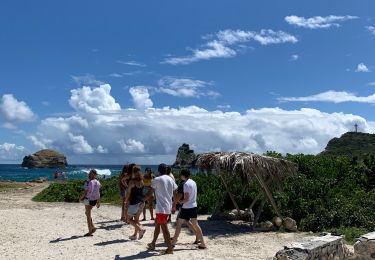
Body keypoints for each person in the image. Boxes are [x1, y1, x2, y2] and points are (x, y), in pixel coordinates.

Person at [146, 163, 178, 254]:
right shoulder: (170, 179)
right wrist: (174, 205)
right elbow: (175, 191)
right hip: (167, 207)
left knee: (164, 228)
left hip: (161, 208)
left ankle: (170, 248)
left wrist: (142, 199)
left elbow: (150, 193)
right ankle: (153, 243)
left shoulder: (157, 179)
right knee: (157, 224)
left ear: (159, 171)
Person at [172, 169, 206, 249]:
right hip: (194, 206)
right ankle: (203, 243)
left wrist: (179, 202)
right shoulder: (193, 182)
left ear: (183, 175)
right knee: (195, 224)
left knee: (179, 224)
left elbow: (186, 199)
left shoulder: (186, 184)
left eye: (181, 175)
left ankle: (173, 243)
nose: (180, 176)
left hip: (186, 207)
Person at [125, 165, 146, 240]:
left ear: (133, 172)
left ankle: (140, 229)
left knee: (129, 219)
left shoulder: (132, 181)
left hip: (134, 202)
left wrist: (125, 201)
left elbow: (128, 192)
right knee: (136, 220)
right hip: (142, 202)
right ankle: (135, 235)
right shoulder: (142, 181)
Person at [79, 169, 101, 237]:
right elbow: (98, 193)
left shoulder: (88, 182)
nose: (89, 174)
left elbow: (85, 192)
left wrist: (81, 198)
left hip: (88, 199)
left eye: (90, 173)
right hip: (94, 200)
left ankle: (90, 231)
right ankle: (93, 227)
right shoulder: (97, 182)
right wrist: (98, 201)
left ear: (90, 175)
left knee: (88, 215)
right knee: (87, 213)